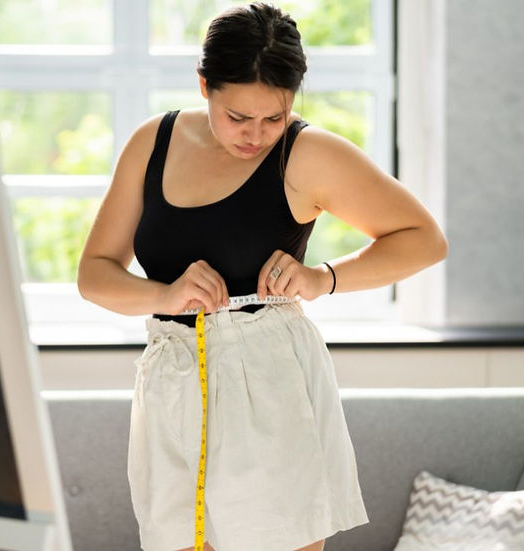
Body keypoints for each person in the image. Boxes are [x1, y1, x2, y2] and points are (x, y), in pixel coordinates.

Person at [77, 3, 448, 550]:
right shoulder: (151, 144)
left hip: (270, 383)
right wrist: (166, 294)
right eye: (237, 117)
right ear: (204, 86)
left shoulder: (307, 154)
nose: (255, 135)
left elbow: (424, 238)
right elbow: (94, 274)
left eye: (273, 117)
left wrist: (325, 278)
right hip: (170, 383)